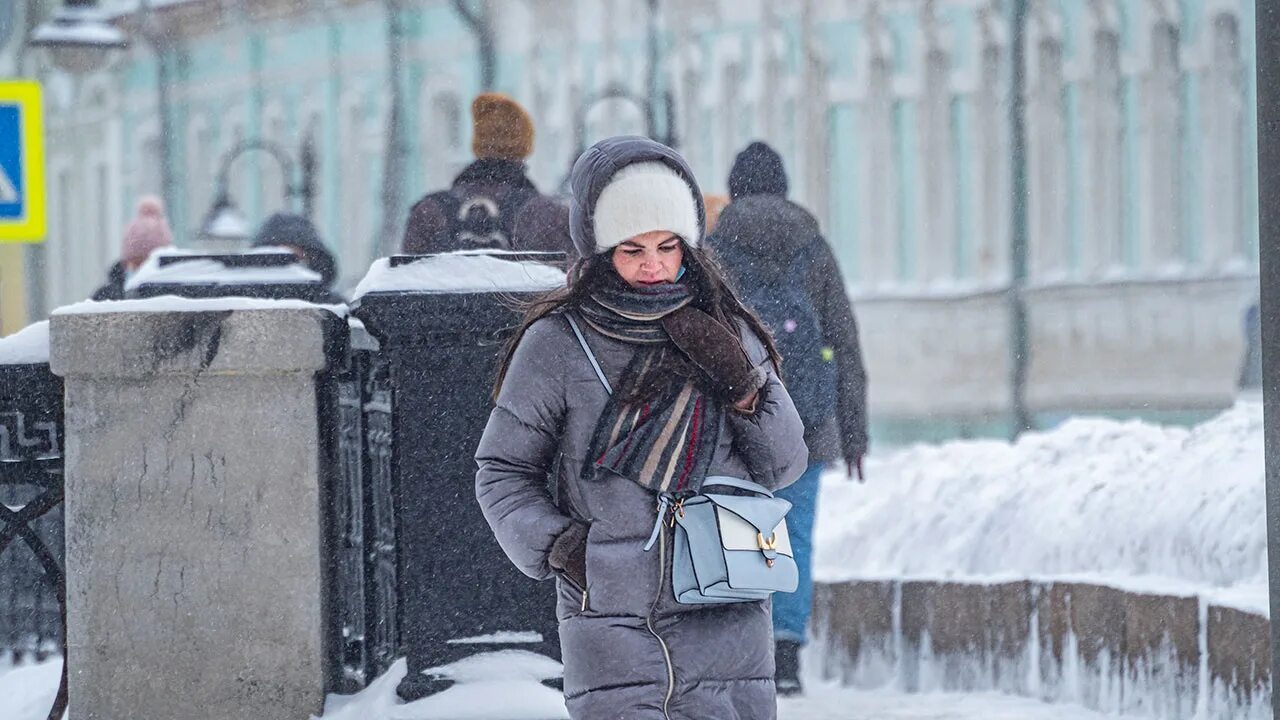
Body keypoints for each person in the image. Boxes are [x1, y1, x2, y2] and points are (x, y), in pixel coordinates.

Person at [474, 136, 808, 718]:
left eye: (668, 245)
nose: (654, 265)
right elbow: (502, 471)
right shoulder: (558, 343)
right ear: (600, 251)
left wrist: (743, 387)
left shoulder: (727, 329)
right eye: (632, 249)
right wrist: (563, 547)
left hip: (723, 601)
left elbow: (783, 465)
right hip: (612, 612)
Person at [707, 140, 870, 696]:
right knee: (796, 535)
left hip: (741, 418)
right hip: (809, 420)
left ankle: (750, 654)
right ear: (783, 186)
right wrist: (855, 434)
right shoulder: (814, 248)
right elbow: (844, 344)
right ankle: (789, 651)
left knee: (748, 529)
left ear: (733, 188)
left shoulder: (716, 247)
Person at [402, 93, 571, 256]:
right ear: (523, 150)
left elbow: (406, 279)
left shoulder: (428, 213)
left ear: (478, 145)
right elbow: (574, 281)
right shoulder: (548, 216)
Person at [250, 212, 345, 303]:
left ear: (311, 258)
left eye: (293, 259)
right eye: (278, 259)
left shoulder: (332, 306)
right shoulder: (243, 303)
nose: (286, 267)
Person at [92, 196, 173, 301]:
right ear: (125, 263)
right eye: (136, 263)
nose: (142, 270)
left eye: (148, 263)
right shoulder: (105, 298)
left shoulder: (174, 296)